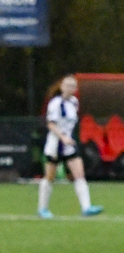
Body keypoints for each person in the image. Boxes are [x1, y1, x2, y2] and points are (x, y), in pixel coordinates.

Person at [37, 75, 103, 219]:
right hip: (55, 144)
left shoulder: (74, 102)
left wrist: (69, 138)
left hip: (69, 145)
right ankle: (42, 209)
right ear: (62, 87)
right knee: (50, 177)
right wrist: (63, 137)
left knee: (79, 173)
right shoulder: (55, 103)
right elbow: (51, 124)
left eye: (72, 86)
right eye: (67, 85)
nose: (70, 88)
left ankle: (87, 207)